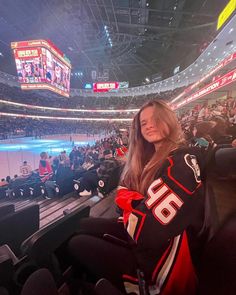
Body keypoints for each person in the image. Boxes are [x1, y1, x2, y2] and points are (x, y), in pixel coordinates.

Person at [68, 100, 210, 295]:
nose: (149, 125)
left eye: (156, 119)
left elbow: (147, 229)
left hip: (161, 256)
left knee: (78, 243)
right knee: (81, 225)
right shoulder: (152, 157)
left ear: (169, 120)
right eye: (144, 123)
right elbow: (124, 193)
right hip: (143, 234)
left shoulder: (181, 162)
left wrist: (130, 201)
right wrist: (135, 203)